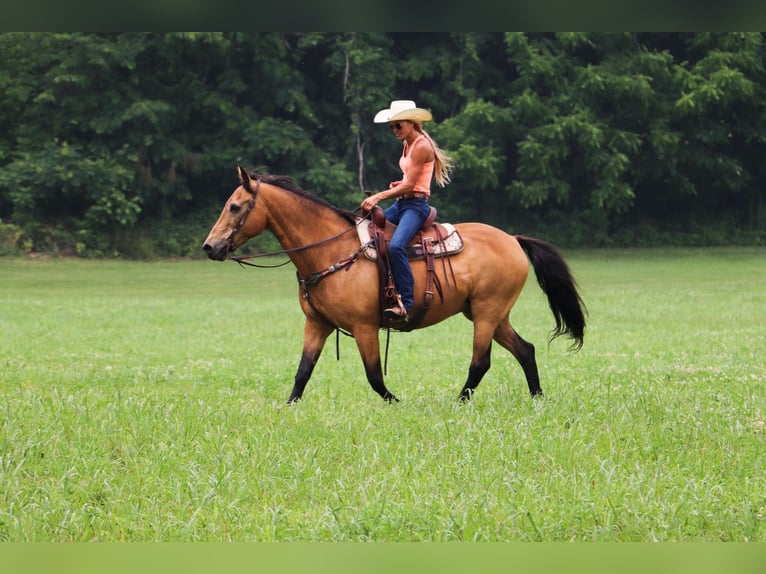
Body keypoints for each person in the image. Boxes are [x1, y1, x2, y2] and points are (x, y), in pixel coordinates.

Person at [361, 100, 454, 322]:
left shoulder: (422, 145)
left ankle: (406, 303)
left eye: (398, 125)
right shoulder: (407, 143)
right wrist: (398, 185)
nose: (394, 130)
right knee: (367, 227)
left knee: (395, 247)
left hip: (416, 207)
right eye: (391, 126)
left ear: (412, 123)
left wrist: (378, 196)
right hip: (402, 204)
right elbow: (408, 179)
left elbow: (412, 185)